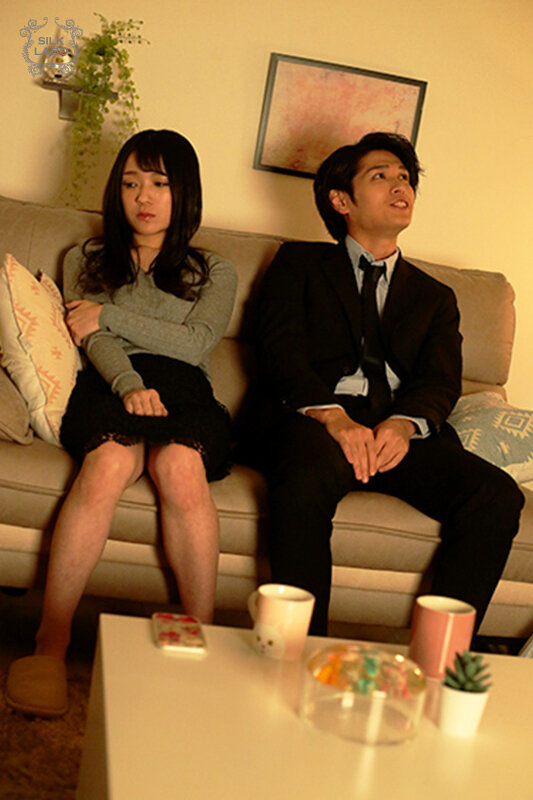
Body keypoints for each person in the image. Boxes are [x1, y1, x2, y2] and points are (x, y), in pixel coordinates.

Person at [253, 131, 524, 636]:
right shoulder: (298, 265)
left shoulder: (436, 297)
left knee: (497, 495)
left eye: (405, 178)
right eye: (381, 176)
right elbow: (279, 353)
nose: (401, 186)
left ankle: (438, 659)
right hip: (316, 426)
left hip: (397, 434)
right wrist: (334, 419)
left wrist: (402, 426)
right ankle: (298, 650)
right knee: (304, 478)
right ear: (342, 201)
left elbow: (441, 381)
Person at [6, 129, 237, 716]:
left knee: (180, 467)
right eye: (131, 183)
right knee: (108, 461)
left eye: (159, 183)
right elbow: (91, 339)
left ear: (184, 192)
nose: (144, 197)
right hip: (110, 381)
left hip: (185, 389)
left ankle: (197, 640)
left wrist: (108, 312)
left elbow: (195, 344)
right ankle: (50, 646)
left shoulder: (215, 269)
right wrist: (129, 384)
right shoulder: (85, 258)